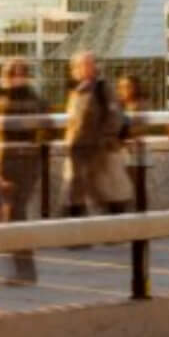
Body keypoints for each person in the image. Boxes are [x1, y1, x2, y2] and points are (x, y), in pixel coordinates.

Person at [0, 58, 52, 284]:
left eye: (10, 74)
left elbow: (7, 134)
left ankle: (25, 270)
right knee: (13, 214)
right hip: (13, 164)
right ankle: (22, 267)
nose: (6, 78)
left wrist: (3, 171)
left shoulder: (16, 101)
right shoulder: (10, 99)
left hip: (18, 165)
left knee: (15, 214)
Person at [64, 51, 130, 219]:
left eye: (88, 64)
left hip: (99, 149)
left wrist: (104, 139)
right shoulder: (76, 90)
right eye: (79, 65)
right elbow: (74, 121)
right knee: (76, 190)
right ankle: (78, 234)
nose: (84, 68)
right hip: (78, 149)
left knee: (107, 190)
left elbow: (115, 117)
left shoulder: (103, 88)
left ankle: (118, 229)